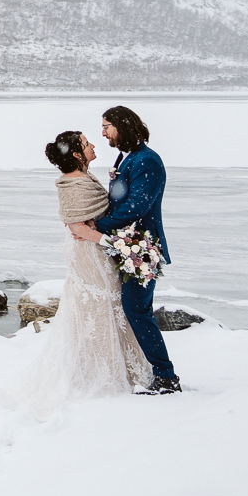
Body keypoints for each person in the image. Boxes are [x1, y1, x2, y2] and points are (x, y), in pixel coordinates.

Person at [17, 127, 152, 413]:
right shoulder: (72, 183)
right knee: (96, 304)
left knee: (109, 303)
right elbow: (77, 226)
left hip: (96, 247)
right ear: (77, 155)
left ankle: (121, 369)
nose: (94, 147)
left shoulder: (85, 177)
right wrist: (113, 242)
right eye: (88, 145)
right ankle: (95, 373)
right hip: (87, 251)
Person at [68, 104, 181, 395]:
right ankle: (143, 370)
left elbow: (137, 206)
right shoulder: (127, 157)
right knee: (132, 309)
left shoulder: (147, 161)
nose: (103, 133)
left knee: (137, 310)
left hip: (142, 249)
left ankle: (167, 377)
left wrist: (97, 225)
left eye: (107, 126)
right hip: (124, 247)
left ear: (123, 125)